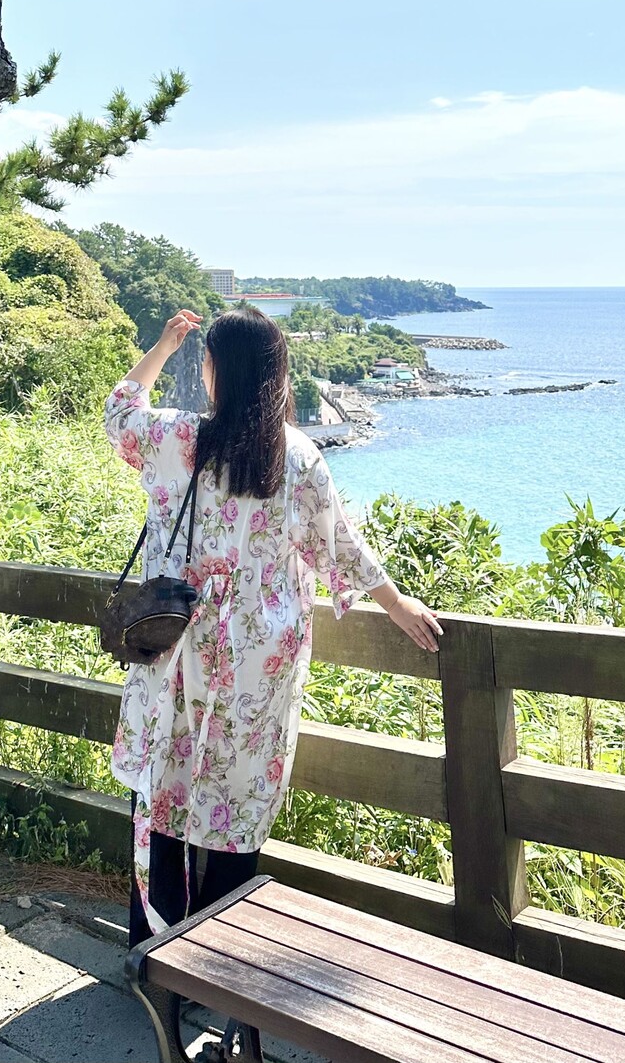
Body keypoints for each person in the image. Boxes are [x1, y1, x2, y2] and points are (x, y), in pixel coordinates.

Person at [104, 305, 442, 947]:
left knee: (167, 787)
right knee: (237, 799)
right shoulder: (298, 456)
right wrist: (397, 604)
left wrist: (164, 346)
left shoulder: (176, 438)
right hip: (257, 659)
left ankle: (154, 950)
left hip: (177, 645)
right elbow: (340, 544)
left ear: (213, 371)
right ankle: (219, 957)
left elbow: (120, 410)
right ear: (275, 375)